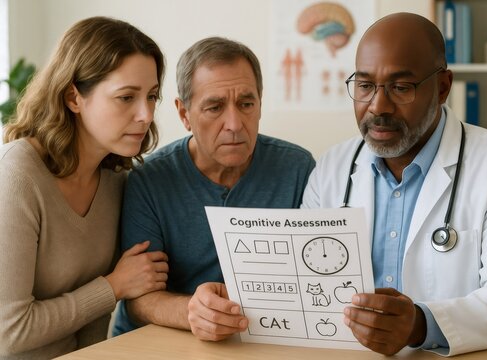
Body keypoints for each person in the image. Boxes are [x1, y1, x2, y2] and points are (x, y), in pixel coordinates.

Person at [301, 12, 487, 356]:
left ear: (443, 87)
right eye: (365, 86)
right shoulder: (332, 168)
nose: (378, 106)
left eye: (401, 87)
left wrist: (420, 324)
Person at [112, 37, 315, 340]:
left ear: (260, 103)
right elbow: (138, 298)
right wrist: (192, 311)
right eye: (215, 107)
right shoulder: (149, 180)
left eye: (246, 104)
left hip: (257, 339)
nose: (234, 123)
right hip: (159, 341)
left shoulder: (297, 168)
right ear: (184, 114)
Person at [0, 17, 169, 359]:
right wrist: (114, 286)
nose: (146, 114)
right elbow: (8, 333)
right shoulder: (17, 177)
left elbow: (92, 326)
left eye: (152, 96)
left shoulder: (116, 179)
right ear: (73, 97)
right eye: (126, 97)